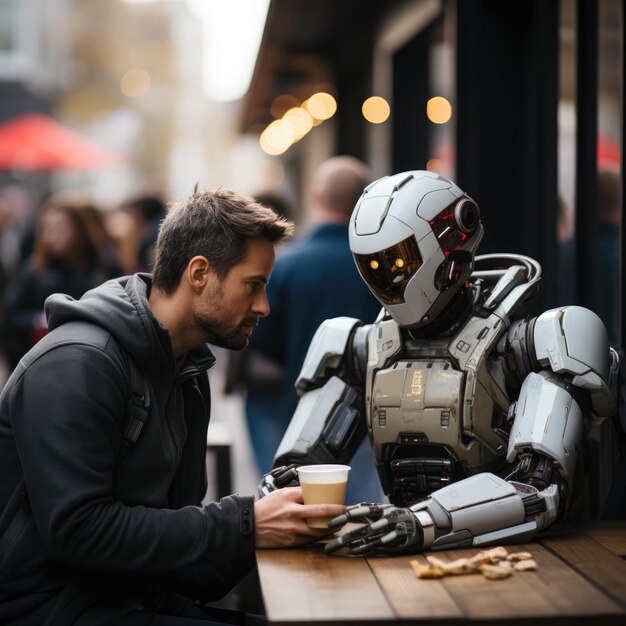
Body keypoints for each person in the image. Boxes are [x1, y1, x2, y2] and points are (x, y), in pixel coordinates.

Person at [0, 187, 348, 626]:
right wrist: (246, 523)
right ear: (199, 274)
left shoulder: (187, 372)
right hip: (51, 609)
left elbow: (183, 567)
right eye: (254, 285)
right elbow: (78, 530)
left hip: (134, 597)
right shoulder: (76, 362)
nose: (264, 306)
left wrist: (275, 518)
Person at [262, 170, 621, 555]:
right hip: (408, 553)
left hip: (527, 558)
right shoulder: (357, 345)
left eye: (398, 262)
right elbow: (299, 475)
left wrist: (422, 522)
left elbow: (538, 489)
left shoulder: (537, 343)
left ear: (447, 241)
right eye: (375, 266)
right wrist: (284, 495)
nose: (388, 277)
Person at [246, 156, 384, 504]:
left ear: (316, 196)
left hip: (295, 406)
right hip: (371, 407)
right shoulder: (384, 266)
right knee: (362, 507)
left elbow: (260, 339)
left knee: (297, 504)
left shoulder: (286, 264)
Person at [2, 193, 121, 369]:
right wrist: (38, 320)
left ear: (79, 230)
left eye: (60, 228)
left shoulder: (103, 269)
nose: (50, 236)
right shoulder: (34, 272)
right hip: (41, 362)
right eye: (46, 229)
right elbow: (9, 316)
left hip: (90, 361)